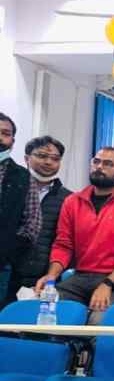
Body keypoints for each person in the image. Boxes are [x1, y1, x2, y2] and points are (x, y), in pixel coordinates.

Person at [35, 147, 114, 324]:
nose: (99, 167)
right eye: (96, 162)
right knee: (49, 315)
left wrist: (108, 284)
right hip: (79, 277)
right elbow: (63, 244)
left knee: (98, 322)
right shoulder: (72, 202)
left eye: (108, 164)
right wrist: (51, 275)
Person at [6, 136, 72, 304]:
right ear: (27, 158)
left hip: (43, 276)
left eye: (55, 159)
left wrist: (52, 275)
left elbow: (66, 242)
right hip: (8, 270)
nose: (48, 162)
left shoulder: (69, 199)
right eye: (42, 156)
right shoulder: (9, 189)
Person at [0, 112, 31, 294]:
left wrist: (7, 250)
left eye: (6, 133)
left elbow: (31, 225)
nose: (0, 138)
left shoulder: (22, 176)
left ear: (12, 140)